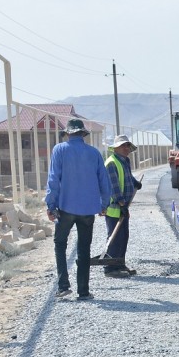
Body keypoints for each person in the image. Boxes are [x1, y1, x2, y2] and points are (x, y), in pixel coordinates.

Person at [46, 118, 111, 300]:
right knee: (84, 249)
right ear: (83, 134)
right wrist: (104, 205)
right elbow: (104, 182)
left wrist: (50, 206)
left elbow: (53, 180)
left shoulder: (59, 150)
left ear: (67, 134)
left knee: (60, 245)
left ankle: (63, 286)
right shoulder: (94, 153)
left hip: (65, 208)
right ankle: (83, 291)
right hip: (87, 210)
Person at [103, 135, 143, 278]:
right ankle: (110, 268)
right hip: (115, 207)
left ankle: (120, 263)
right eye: (124, 146)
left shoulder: (124, 161)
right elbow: (113, 186)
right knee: (115, 237)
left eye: (128, 146)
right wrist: (121, 203)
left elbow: (127, 177)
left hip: (123, 206)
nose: (127, 149)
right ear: (116, 148)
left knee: (124, 236)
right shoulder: (111, 163)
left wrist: (135, 182)